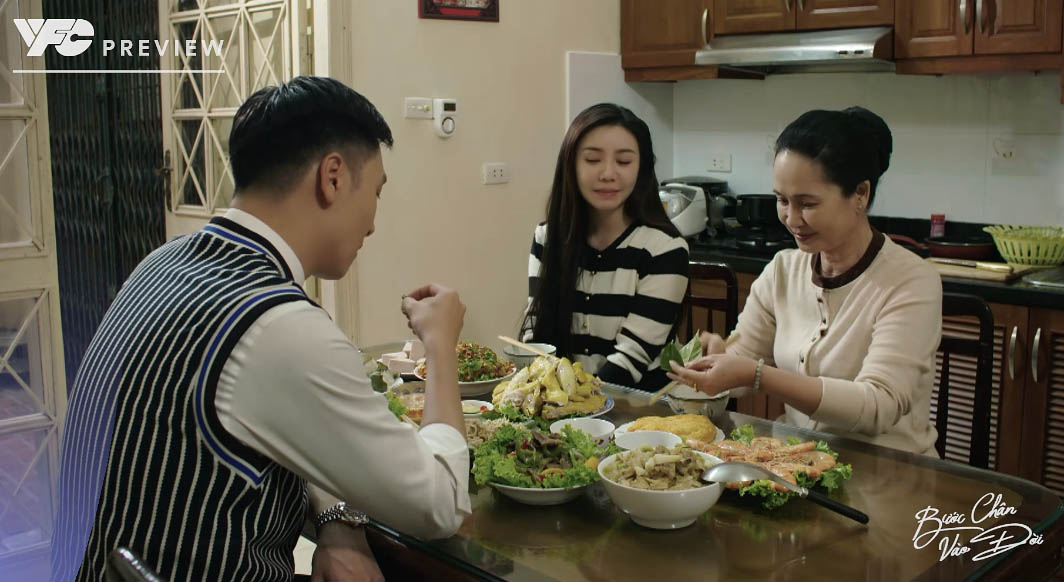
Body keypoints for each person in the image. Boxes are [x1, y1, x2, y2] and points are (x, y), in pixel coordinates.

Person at [51, 76, 471, 582]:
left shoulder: (162, 263)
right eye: (376, 193)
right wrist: (440, 345)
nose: (373, 224)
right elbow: (440, 503)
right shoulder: (278, 326)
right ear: (333, 177)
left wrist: (337, 521)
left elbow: (272, 416)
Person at [667, 107, 942, 456]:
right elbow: (743, 361)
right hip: (795, 462)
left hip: (889, 470)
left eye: (807, 203)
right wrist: (718, 358)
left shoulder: (910, 281)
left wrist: (756, 375)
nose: (791, 219)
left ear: (860, 193)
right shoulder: (783, 270)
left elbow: (878, 406)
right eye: (782, 200)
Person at [521, 103, 690, 391]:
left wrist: (577, 402)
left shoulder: (665, 250)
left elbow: (631, 359)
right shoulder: (548, 238)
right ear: (571, 165)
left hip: (640, 406)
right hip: (565, 403)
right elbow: (536, 333)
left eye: (623, 162)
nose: (608, 173)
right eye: (592, 160)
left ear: (641, 169)